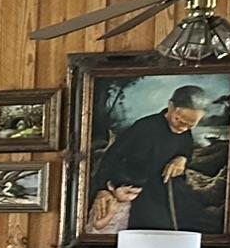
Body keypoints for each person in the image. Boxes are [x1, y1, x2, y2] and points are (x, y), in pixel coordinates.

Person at [88, 85, 208, 232]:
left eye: (190, 125)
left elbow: (186, 149)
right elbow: (112, 156)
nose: (183, 128)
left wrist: (182, 159)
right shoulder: (144, 127)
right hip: (139, 192)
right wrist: (102, 188)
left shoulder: (185, 132)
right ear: (171, 106)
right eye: (179, 121)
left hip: (168, 192)